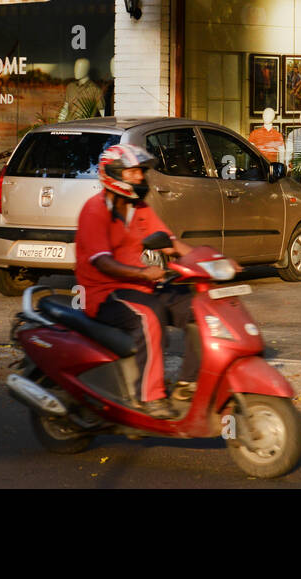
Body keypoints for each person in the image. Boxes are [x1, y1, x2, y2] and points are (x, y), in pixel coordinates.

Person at [74, 143, 200, 418]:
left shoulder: (139, 208)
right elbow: (102, 262)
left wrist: (209, 263)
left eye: (140, 173)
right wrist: (144, 273)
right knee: (149, 316)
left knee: (200, 308)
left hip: (142, 287)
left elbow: (171, 244)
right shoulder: (96, 210)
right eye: (133, 173)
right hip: (103, 293)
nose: (140, 178)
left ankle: (187, 384)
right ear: (114, 174)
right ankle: (149, 397)